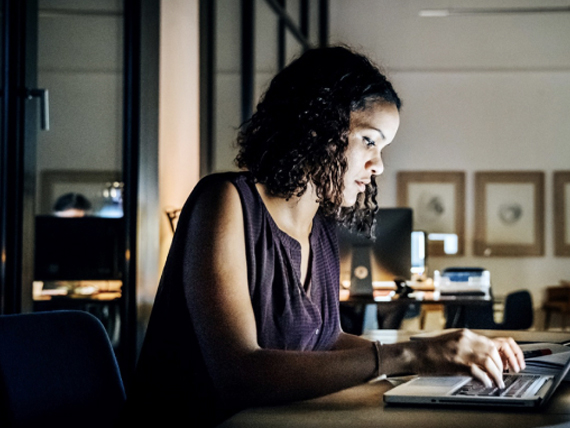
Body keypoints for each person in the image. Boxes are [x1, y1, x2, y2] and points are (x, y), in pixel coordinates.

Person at [124, 46, 525, 427]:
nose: (379, 165)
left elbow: (326, 341)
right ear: (316, 128)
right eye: (369, 140)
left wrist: (434, 351)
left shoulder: (320, 228)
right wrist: (407, 354)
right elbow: (240, 373)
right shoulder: (225, 201)